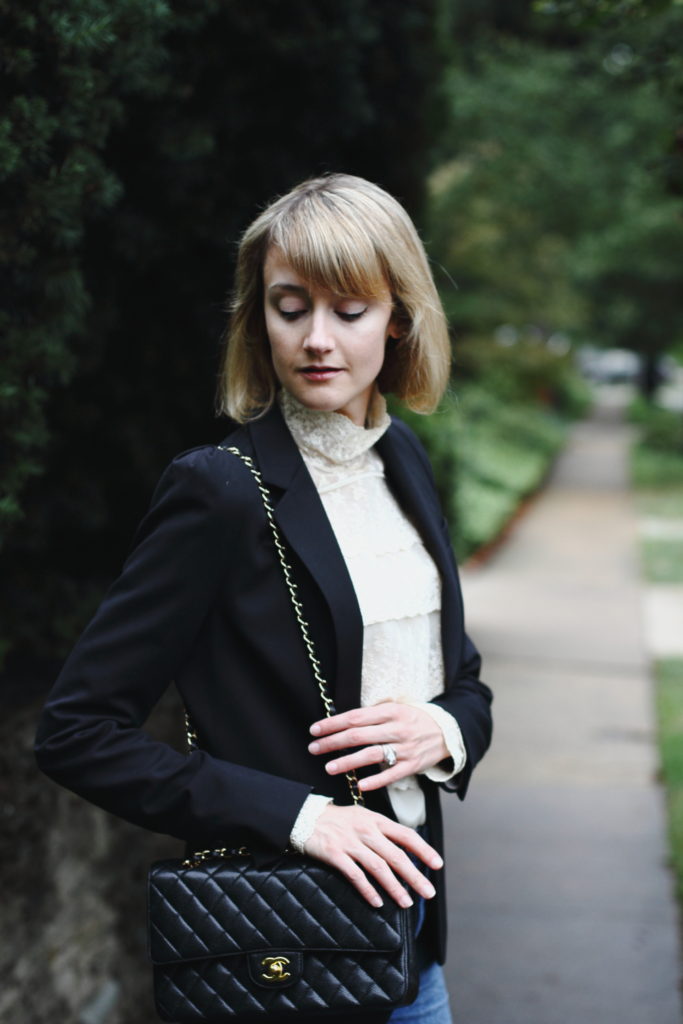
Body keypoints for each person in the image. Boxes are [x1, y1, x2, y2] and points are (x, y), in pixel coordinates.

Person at [35, 173, 493, 1023]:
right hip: (283, 952)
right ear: (260, 317)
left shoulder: (407, 467)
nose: (317, 339)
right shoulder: (220, 491)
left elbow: (461, 677)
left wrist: (445, 728)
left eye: (348, 310)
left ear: (398, 316)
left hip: (413, 946)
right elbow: (75, 732)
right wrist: (297, 816)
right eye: (290, 307)